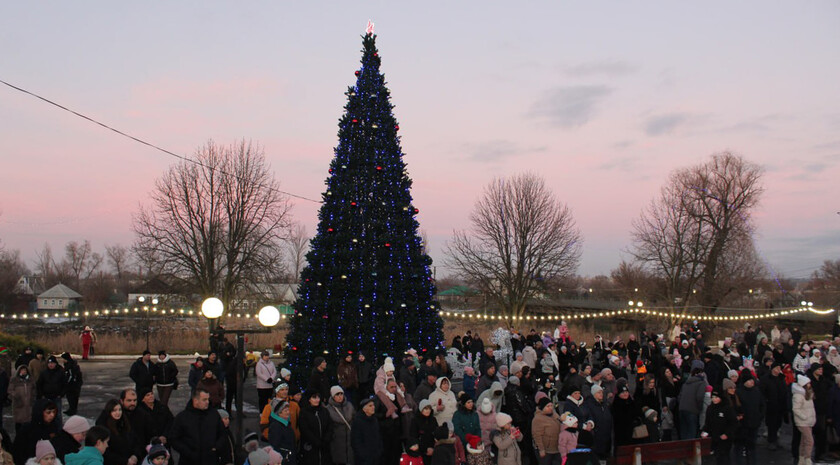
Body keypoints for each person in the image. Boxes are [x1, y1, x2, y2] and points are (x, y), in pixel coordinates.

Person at [168, 388, 224, 465]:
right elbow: (174, 439)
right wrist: (187, 452)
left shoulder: (214, 415)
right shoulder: (182, 417)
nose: (207, 402)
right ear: (195, 400)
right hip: (189, 461)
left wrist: (216, 448)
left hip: (210, 459)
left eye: (208, 399)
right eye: (204, 400)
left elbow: (222, 433)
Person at [14, 399, 62, 465]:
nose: (52, 415)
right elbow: (18, 452)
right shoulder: (27, 429)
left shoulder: (54, 427)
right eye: (48, 412)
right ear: (40, 412)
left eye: (54, 412)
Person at [95, 399, 139, 465]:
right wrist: (125, 461)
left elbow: (136, 441)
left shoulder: (125, 423)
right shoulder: (103, 427)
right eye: (114, 410)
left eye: (120, 410)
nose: (118, 413)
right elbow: (105, 452)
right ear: (109, 411)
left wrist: (135, 455)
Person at [702, 391, 737, 465]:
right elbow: (708, 422)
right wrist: (705, 431)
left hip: (725, 438)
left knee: (724, 457)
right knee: (718, 457)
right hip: (715, 437)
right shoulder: (710, 408)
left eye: (716, 397)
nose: (714, 399)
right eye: (713, 397)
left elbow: (733, 423)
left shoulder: (727, 408)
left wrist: (727, 434)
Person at [299, 392, 332, 465]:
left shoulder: (324, 411)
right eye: (314, 397)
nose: (317, 400)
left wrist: (326, 439)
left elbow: (329, 425)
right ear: (309, 399)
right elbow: (304, 429)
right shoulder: (304, 412)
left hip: (324, 446)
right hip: (310, 446)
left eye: (318, 397)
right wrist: (315, 441)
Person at [326, 386, 354, 465]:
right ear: (333, 396)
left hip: (350, 440)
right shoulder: (328, 409)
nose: (340, 396)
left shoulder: (349, 406)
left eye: (341, 394)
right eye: (337, 394)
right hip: (337, 442)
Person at [792, 375, 816, 465]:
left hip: (808, 421)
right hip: (803, 422)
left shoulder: (808, 394)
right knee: (810, 440)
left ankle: (801, 459)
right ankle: (807, 458)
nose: (810, 385)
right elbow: (796, 409)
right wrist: (804, 417)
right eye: (808, 383)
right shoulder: (798, 396)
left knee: (804, 440)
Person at [352, 398, 383, 465]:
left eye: (373, 405)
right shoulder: (358, 421)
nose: (373, 407)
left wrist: (379, 450)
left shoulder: (374, 420)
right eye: (370, 406)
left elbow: (378, 436)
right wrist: (363, 455)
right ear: (364, 409)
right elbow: (356, 441)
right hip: (363, 460)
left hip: (375, 457)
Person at [531, 397, 562, 465]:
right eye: (548, 406)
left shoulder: (554, 414)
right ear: (542, 408)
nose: (550, 408)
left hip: (557, 448)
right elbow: (537, 435)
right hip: (546, 450)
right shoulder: (538, 419)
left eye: (551, 406)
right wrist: (541, 449)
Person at [37, 356, 66, 424]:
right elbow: (39, 384)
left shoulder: (60, 372)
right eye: (49, 363)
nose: (51, 365)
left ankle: (59, 430)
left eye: (52, 363)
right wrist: (41, 395)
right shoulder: (44, 373)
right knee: (46, 415)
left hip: (56, 397)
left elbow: (65, 384)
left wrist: (61, 394)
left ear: (55, 364)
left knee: (58, 415)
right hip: (46, 397)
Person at [267, 400, 297, 465]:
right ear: (279, 413)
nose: (288, 412)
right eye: (285, 411)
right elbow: (275, 446)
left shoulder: (286, 424)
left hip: (289, 458)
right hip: (283, 460)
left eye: (288, 410)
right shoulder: (276, 427)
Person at [410, 399, 438, 465]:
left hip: (433, 450)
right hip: (421, 452)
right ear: (421, 409)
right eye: (425, 408)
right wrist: (425, 449)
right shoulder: (415, 420)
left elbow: (437, 434)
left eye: (429, 409)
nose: (428, 410)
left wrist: (434, 448)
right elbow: (413, 437)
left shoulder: (433, 420)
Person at [11, 365, 36, 432]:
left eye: (25, 370)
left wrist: (32, 397)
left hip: (28, 404)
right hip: (19, 404)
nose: (23, 372)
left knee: (28, 422)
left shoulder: (30, 380)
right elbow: (10, 390)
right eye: (22, 370)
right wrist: (16, 396)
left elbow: (34, 389)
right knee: (19, 422)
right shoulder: (14, 380)